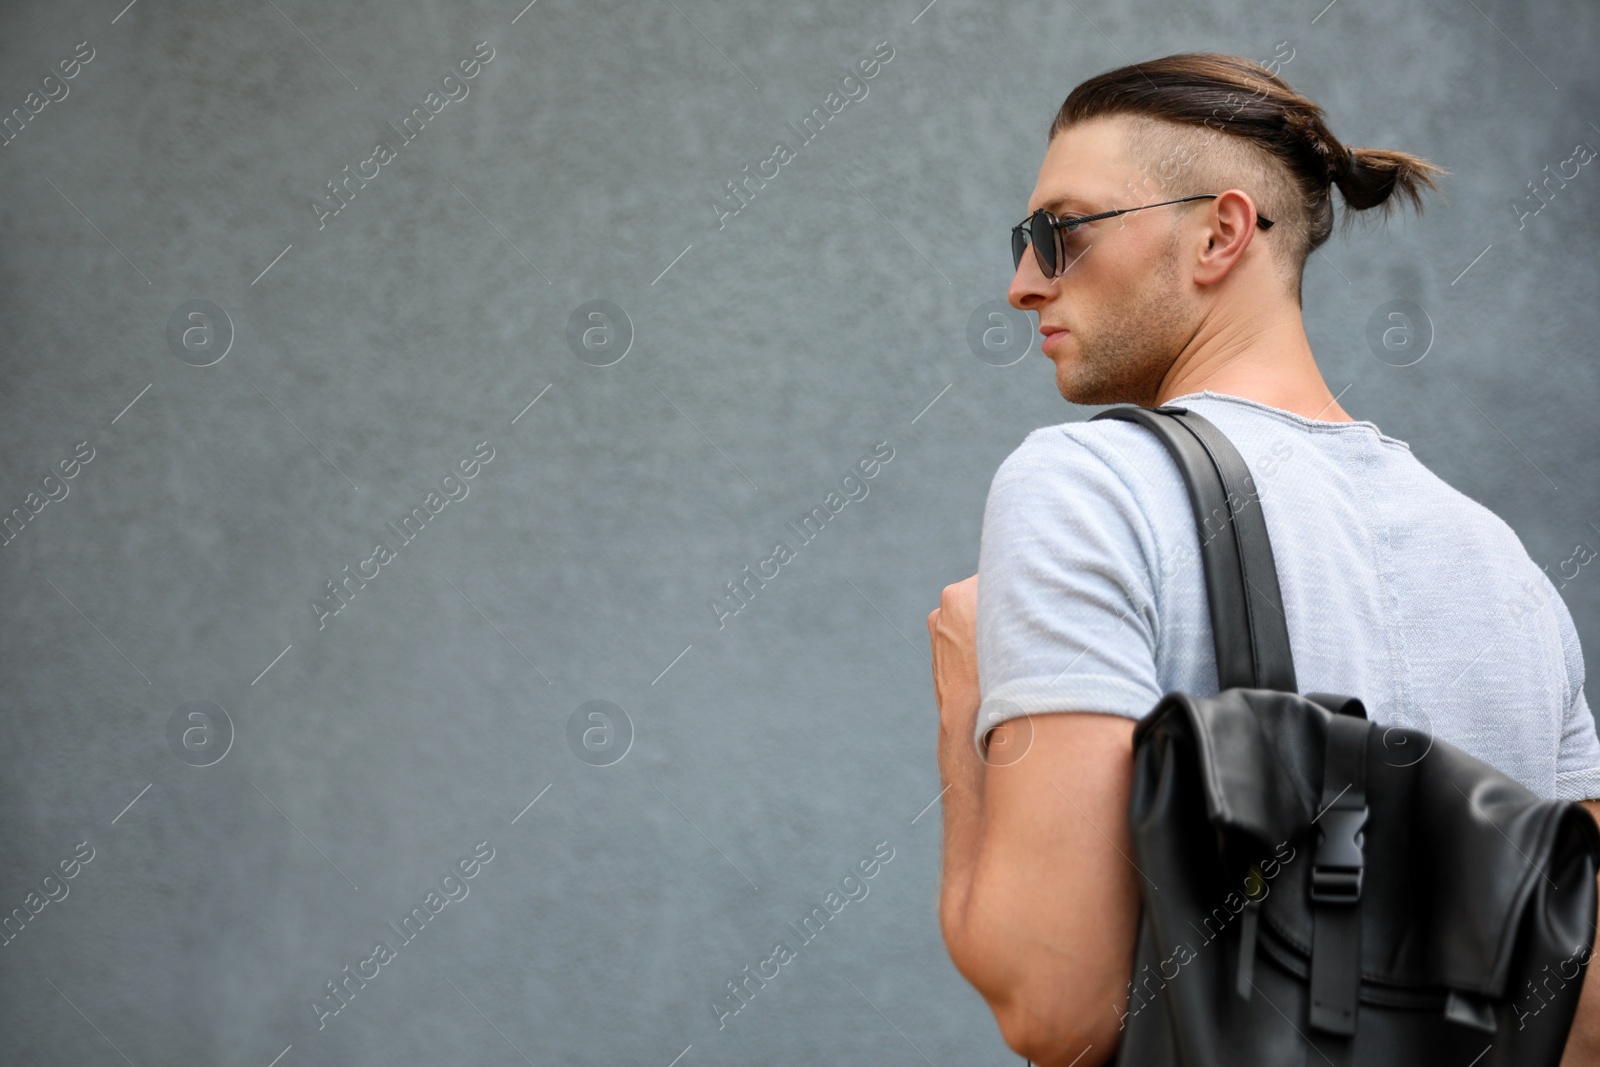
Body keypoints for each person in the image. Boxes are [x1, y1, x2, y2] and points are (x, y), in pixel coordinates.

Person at [925, 51, 1600, 1067]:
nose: (1024, 283)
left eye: (1057, 231)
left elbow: (1054, 1001)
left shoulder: (1085, 485)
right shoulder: (1506, 570)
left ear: (1219, 232)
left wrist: (963, 704)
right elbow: (1583, 1016)